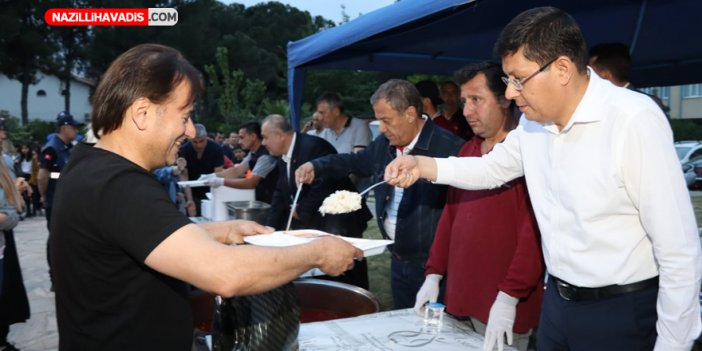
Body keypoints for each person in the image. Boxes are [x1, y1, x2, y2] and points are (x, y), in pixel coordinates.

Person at [385, 6, 701, 351]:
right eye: (508, 80)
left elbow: (678, 252)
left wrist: (674, 344)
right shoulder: (534, 124)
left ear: (563, 69)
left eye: (519, 79)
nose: (510, 93)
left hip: (620, 311)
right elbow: (491, 168)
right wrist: (422, 165)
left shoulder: (632, 119)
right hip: (557, 306)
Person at [50, 43, 362, 351]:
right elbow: (225, 274)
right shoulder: (119, 184)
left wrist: (222, 231)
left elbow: (137, 237)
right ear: (142, 113)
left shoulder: (89, 164)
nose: (189, 130)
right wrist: (317, 253)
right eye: (184, 115)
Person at [296, 79, 464, 309]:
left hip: (434, 266)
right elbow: (354, 161)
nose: (381, 128)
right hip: (397, 256)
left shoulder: (449, 148)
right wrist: (316, 166)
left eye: (386, 121)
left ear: (410, 113)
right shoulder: (384, 144)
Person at [413, 62, 544, 351]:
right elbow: (451, 216)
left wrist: (510, 294)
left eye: (476, 100)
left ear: (504, 98)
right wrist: (433, 274)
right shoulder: (468, 149)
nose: (467, 111)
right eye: (464, 102)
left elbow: (534, 236)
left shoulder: (528, 155)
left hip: (503, 307)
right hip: (459, 298)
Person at [261, 114, 373, 288]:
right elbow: (280, 192)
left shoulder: (314, 147)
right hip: (319, 224)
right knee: (326, 274)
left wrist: (301, 211)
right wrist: (270, 229)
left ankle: (358, 305)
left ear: (279, 135)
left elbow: (324, 185)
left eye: (266, 137)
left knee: (348, 272)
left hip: (340, 222)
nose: (263, 143)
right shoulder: (283, 156)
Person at [38, 111, 81, 289]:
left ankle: (68, 273)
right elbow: (43, 176)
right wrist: (44, 196)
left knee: (68, 239)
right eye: (73, 127)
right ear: (64, 127)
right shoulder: (52, 148)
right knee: (55, 240)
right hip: (55, 202)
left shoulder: (68, 147)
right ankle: (55, 277)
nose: (76, 131)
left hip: (67, 201)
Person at [0, 120, 28, 351]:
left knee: (6, 292)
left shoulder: (4, 163)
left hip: (2, 241)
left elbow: (10, 215)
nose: (2, 136)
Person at [204, 121, 278, 204]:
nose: (239, 142)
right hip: (261, 200)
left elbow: (251, 183)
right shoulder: (253, 153)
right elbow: (238, 170)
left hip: (271, 201)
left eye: (242, 138)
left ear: (253, 136)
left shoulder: (265, 157)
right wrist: (214, 175)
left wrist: (221, 181)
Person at [588, 42, 668, 115]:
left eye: (591, 72)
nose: (588, 77)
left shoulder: (648, 103)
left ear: (606, 76)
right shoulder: (596, 104)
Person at [178, 123, 224, 216]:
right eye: (195, 142)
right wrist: (189, 199)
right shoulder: (184, 150)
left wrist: (216, 198)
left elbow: (219, 174)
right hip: (191, 192)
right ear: (190, 139)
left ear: (206, 137)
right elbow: (184, 175)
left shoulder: (216, 149)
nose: (198, 145)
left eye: (202, 141)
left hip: (211, 193)